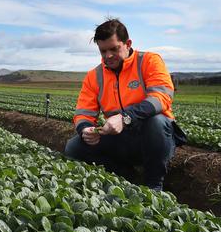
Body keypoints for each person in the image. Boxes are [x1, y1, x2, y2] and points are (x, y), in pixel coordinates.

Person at [64, 18, 186, 191]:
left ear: (128, 44)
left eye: (114, 49)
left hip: (151, 137)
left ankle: (154, 185)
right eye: (103, 51)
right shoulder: (94, 75)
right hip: (120, 138)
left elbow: (162, 96)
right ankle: (124, 175)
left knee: (156, 121)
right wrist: (85, 129)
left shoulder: (149, 61)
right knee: (74, 147)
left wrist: (125, 117)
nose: (108, 56)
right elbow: (83, 112)